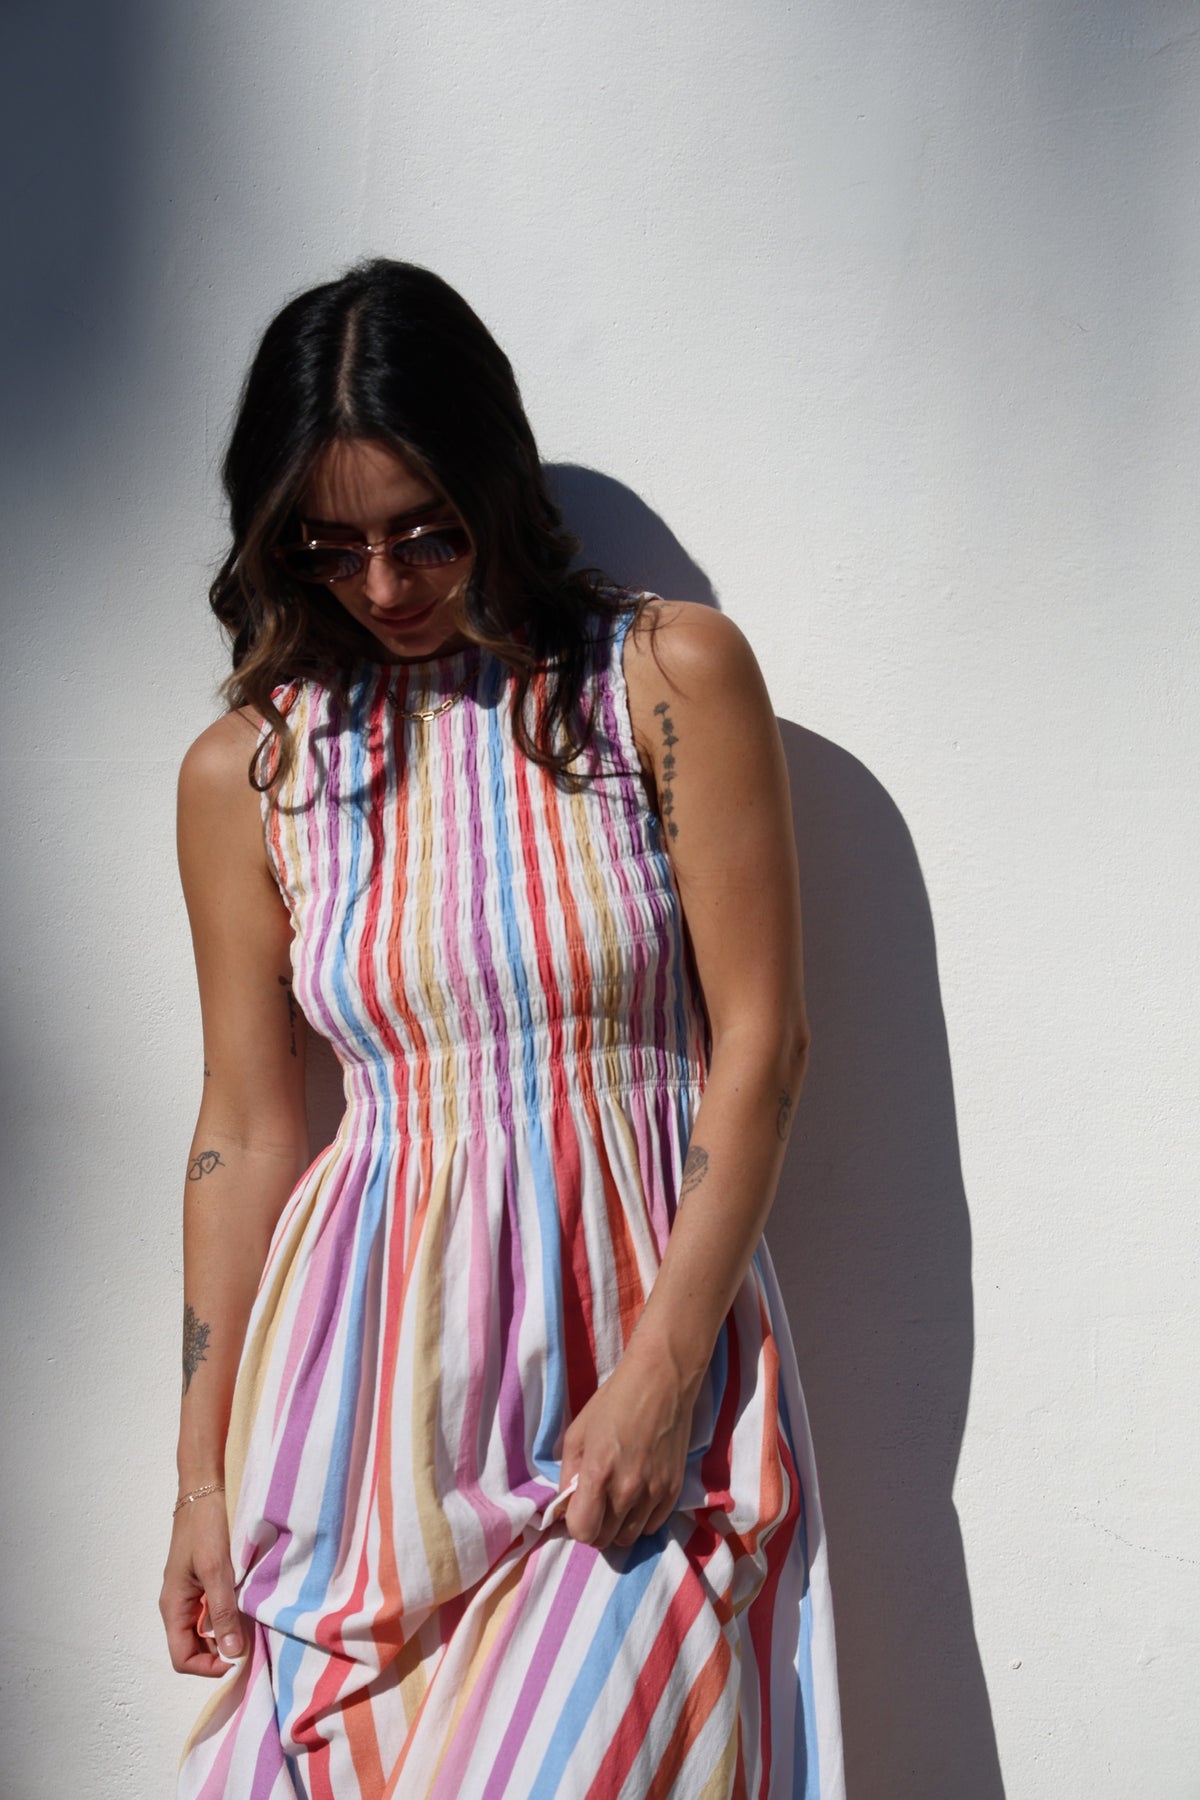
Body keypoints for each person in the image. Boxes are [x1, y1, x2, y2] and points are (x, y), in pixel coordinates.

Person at [159, 257, 845, 1799]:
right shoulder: (249, 774)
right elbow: (249, 1123)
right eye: (329, 548)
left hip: (634, 1372)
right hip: (359, 1424)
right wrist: (201, 1479)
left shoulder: (660, 678)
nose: (387, 585)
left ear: (496, 482)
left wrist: (670, 1371)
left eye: (428, 531)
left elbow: (764, 1047)